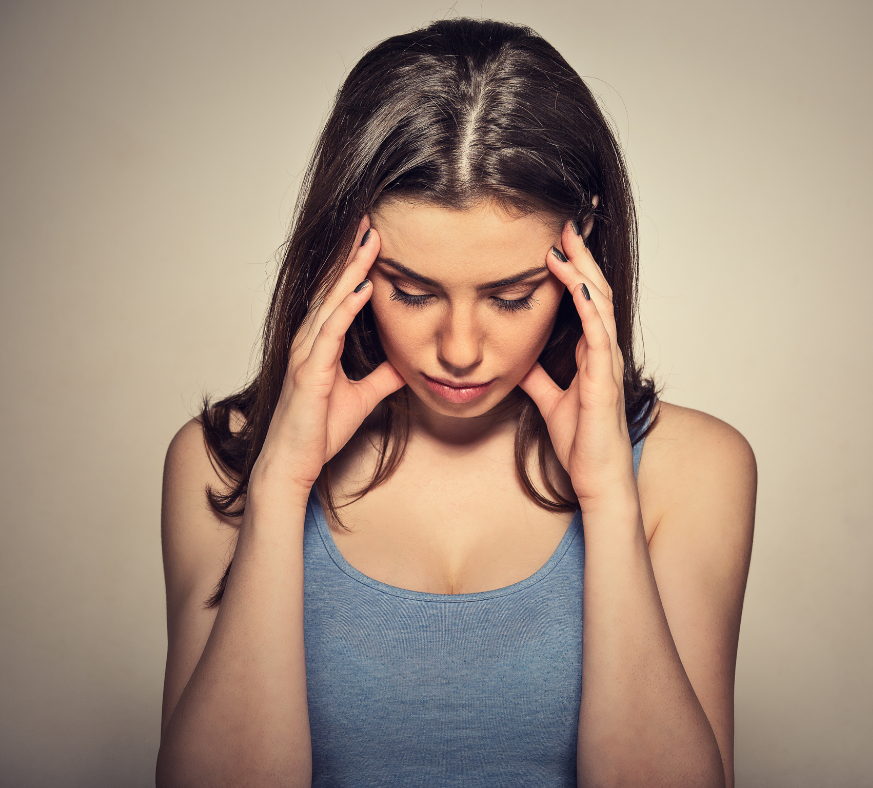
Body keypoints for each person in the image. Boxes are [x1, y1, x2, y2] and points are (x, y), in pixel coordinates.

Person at [155, 17, 756, 788]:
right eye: (410, 290)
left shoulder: (695, 470)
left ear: (583, 248)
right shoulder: (221, 464)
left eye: (511, 296)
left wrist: (608, 498)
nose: (461, 349)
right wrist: (281, 485)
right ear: (345, 252)